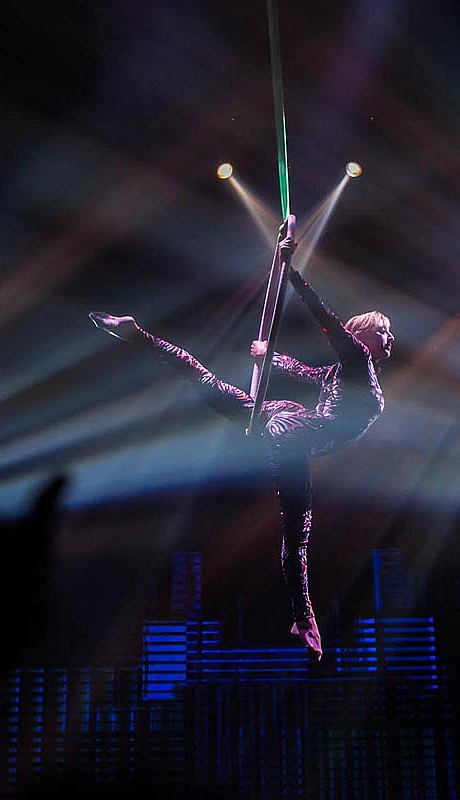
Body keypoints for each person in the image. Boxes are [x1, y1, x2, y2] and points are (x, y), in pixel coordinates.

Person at [89, 218, 392, 660]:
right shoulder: (356, 357)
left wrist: (272, 355)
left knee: (207, 384)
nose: (390, 338)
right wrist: (290, 272)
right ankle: (303, 617)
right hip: (294, 430)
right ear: (361, 334)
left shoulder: (348, 373)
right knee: (296, 534)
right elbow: (327, 323)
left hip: (287, 424)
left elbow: (305, 370)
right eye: (382, 330)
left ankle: (138, 334)